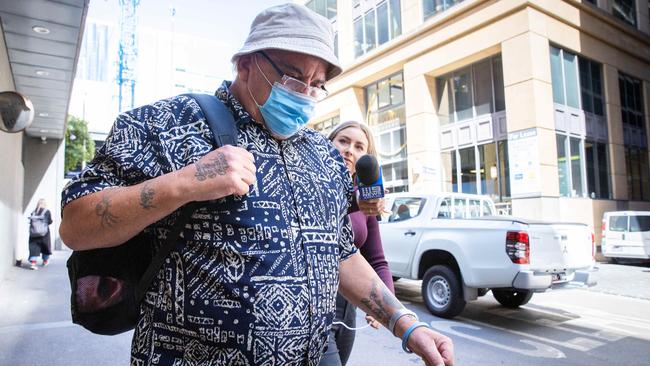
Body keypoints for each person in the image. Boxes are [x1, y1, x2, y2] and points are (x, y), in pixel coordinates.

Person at [59, 4, 454, 365]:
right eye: (294, 78)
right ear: (247, 64)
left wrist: (406, 324)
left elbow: (341, 254)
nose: (305, 94)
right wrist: (184, 183)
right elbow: (75, 225)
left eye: (317, 84)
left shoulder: (323, 155)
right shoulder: (166, 125)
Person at [320, 121, 394, 366]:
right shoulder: (307, 185)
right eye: (343, 141)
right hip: (311, 310)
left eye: (359, 146)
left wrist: (389, 307)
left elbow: (376, 259)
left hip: (346, 310)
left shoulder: (365, 202)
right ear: (328, 143)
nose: (350, 150)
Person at [28, 198, 53, 270]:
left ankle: (33, 263)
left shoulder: (33, 212)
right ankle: (45, 261)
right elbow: (50, 221)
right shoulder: (47, 211)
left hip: (33, 234)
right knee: (45, 246)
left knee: (34, 248)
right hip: (44, 234)